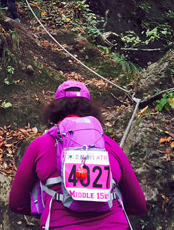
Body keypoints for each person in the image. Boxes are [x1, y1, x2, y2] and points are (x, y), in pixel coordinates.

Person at [9, 80, 146, 229]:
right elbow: (138, 206)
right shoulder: (110, 145)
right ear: (91, 110)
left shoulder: (40, 145)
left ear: (54, 110)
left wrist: (47, 205)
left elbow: (17, 203)